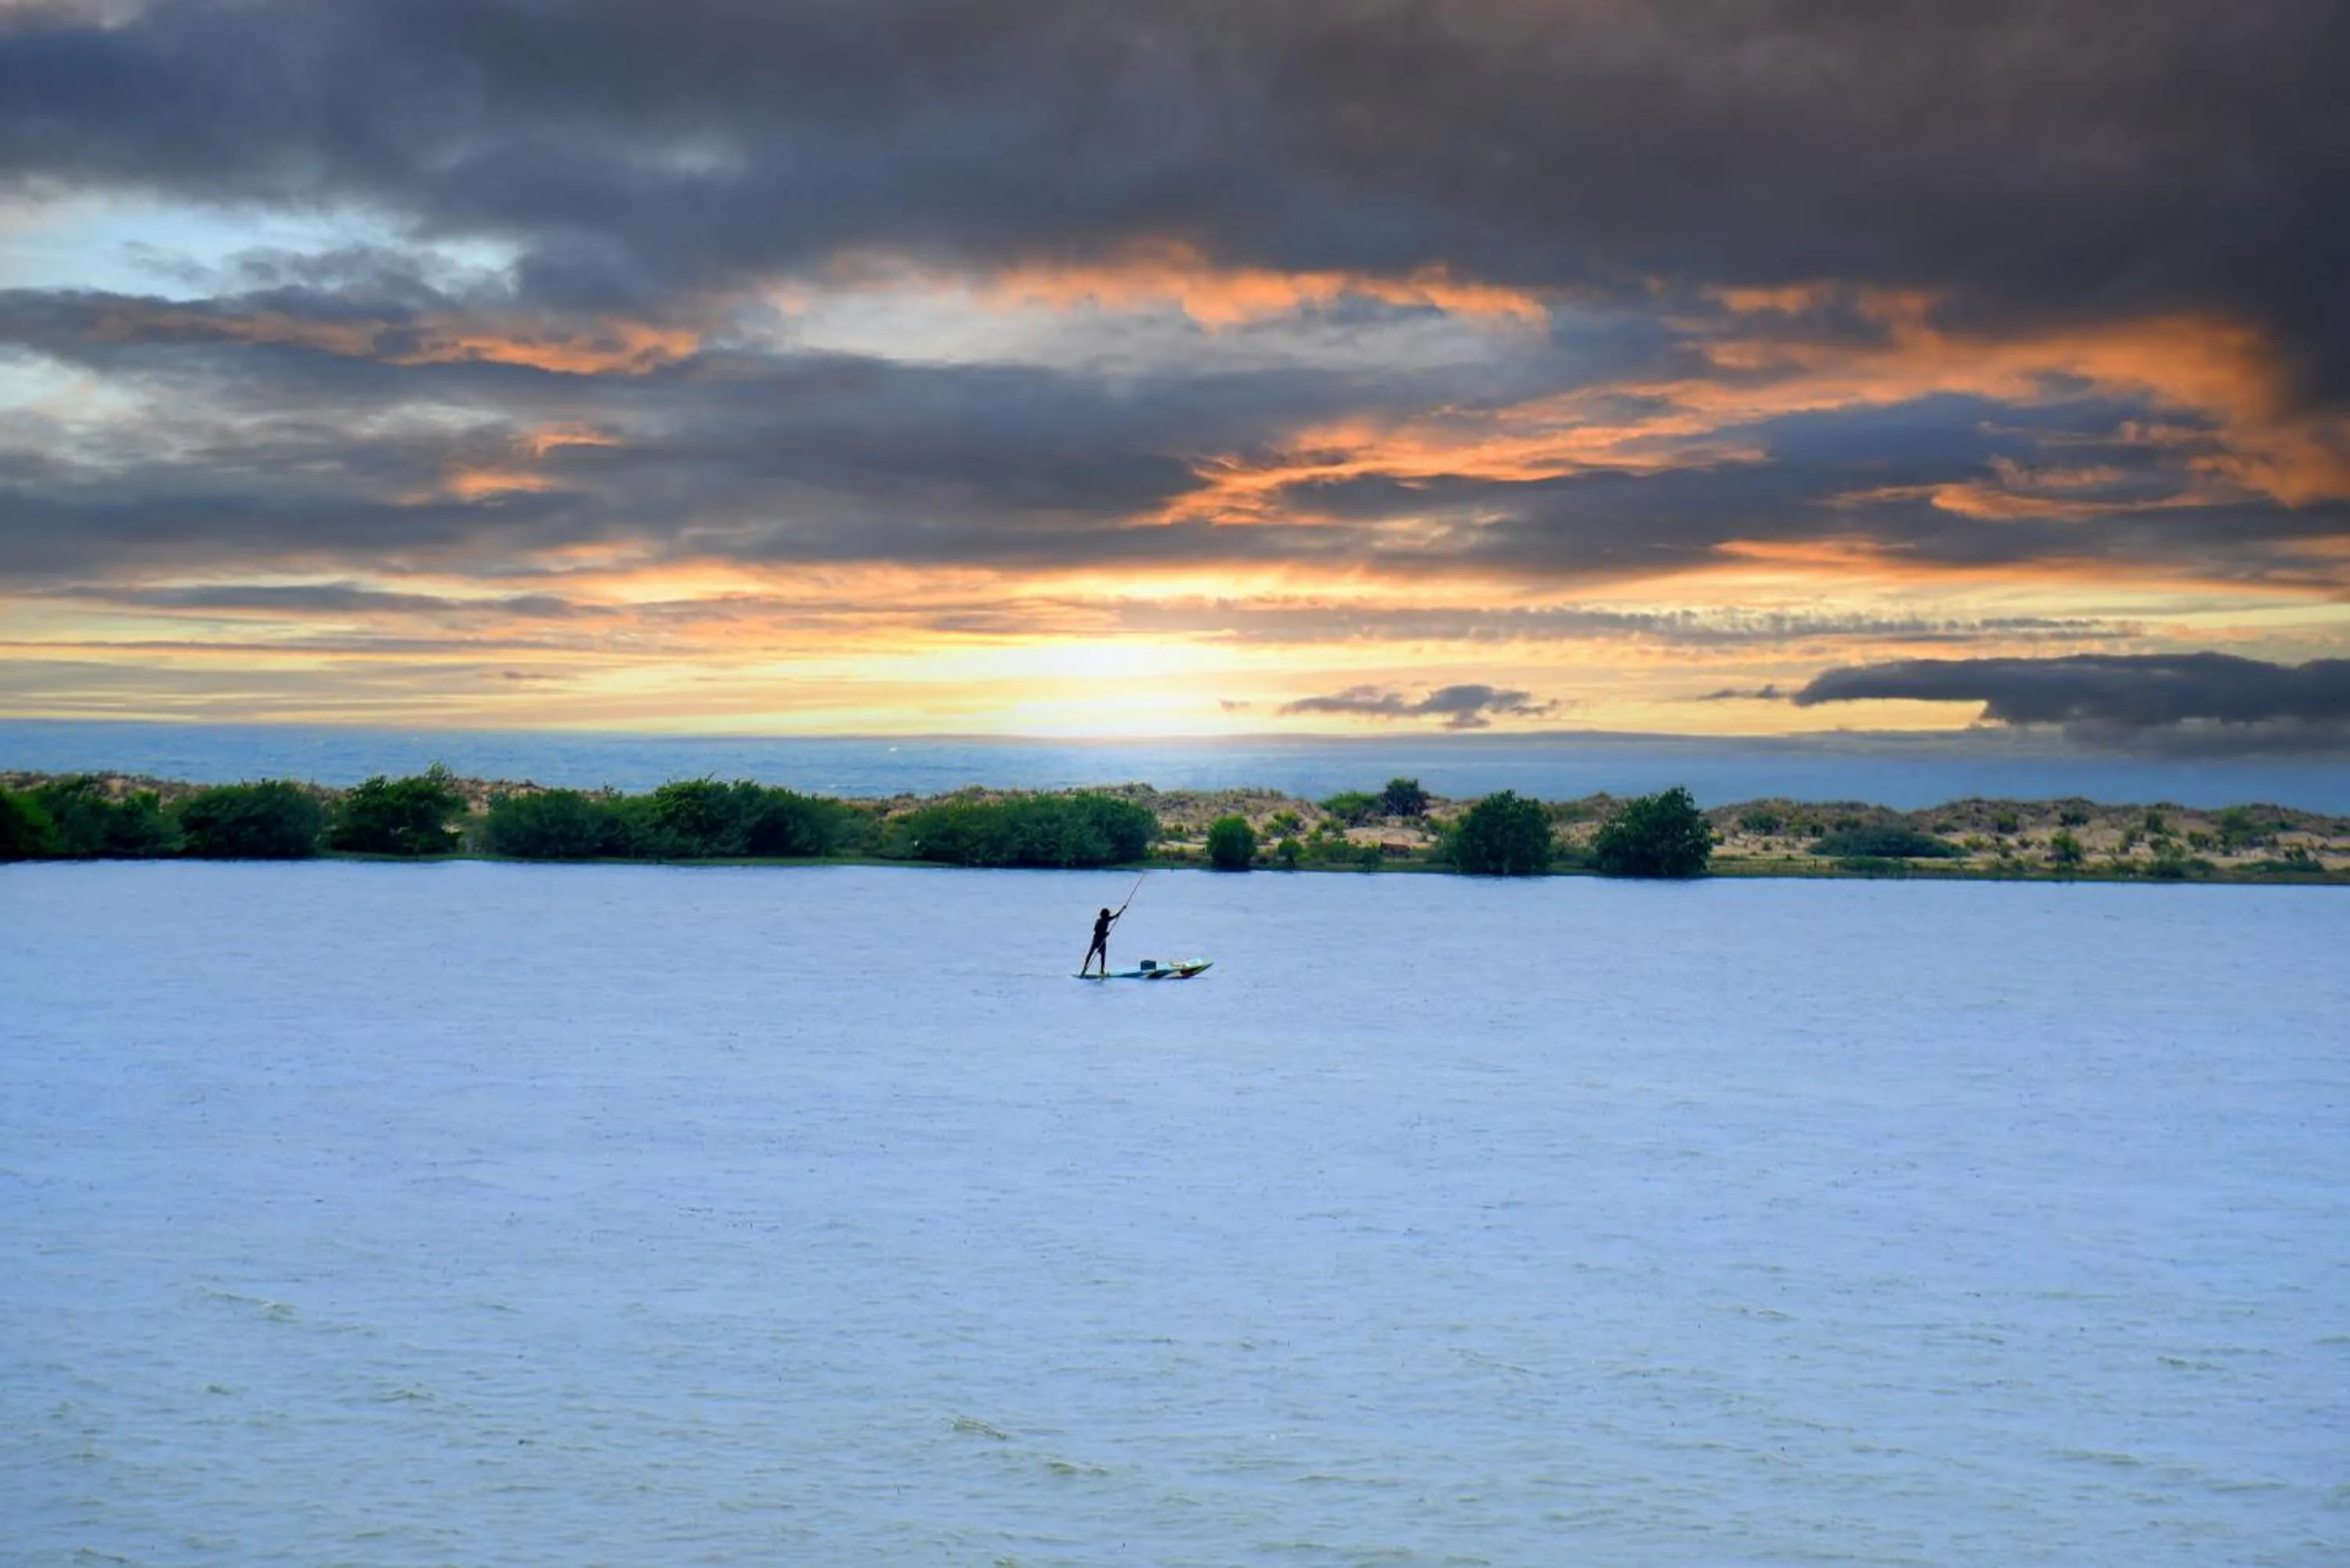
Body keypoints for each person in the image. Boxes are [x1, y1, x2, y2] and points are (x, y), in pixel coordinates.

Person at [1081, 903, 1124, 976]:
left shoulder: (1107, 919)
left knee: (1103, 955)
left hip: (1103, 940)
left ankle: (1102, 970)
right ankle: (1085, 968)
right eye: (1107, 914)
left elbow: (1116, 916)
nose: (1108, 916)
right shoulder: (1099, 921)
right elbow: (1095, 930)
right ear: (1103, 915)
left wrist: (1123, 909)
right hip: (1097, 939)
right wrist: (1105, 934)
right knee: (1090, 953)